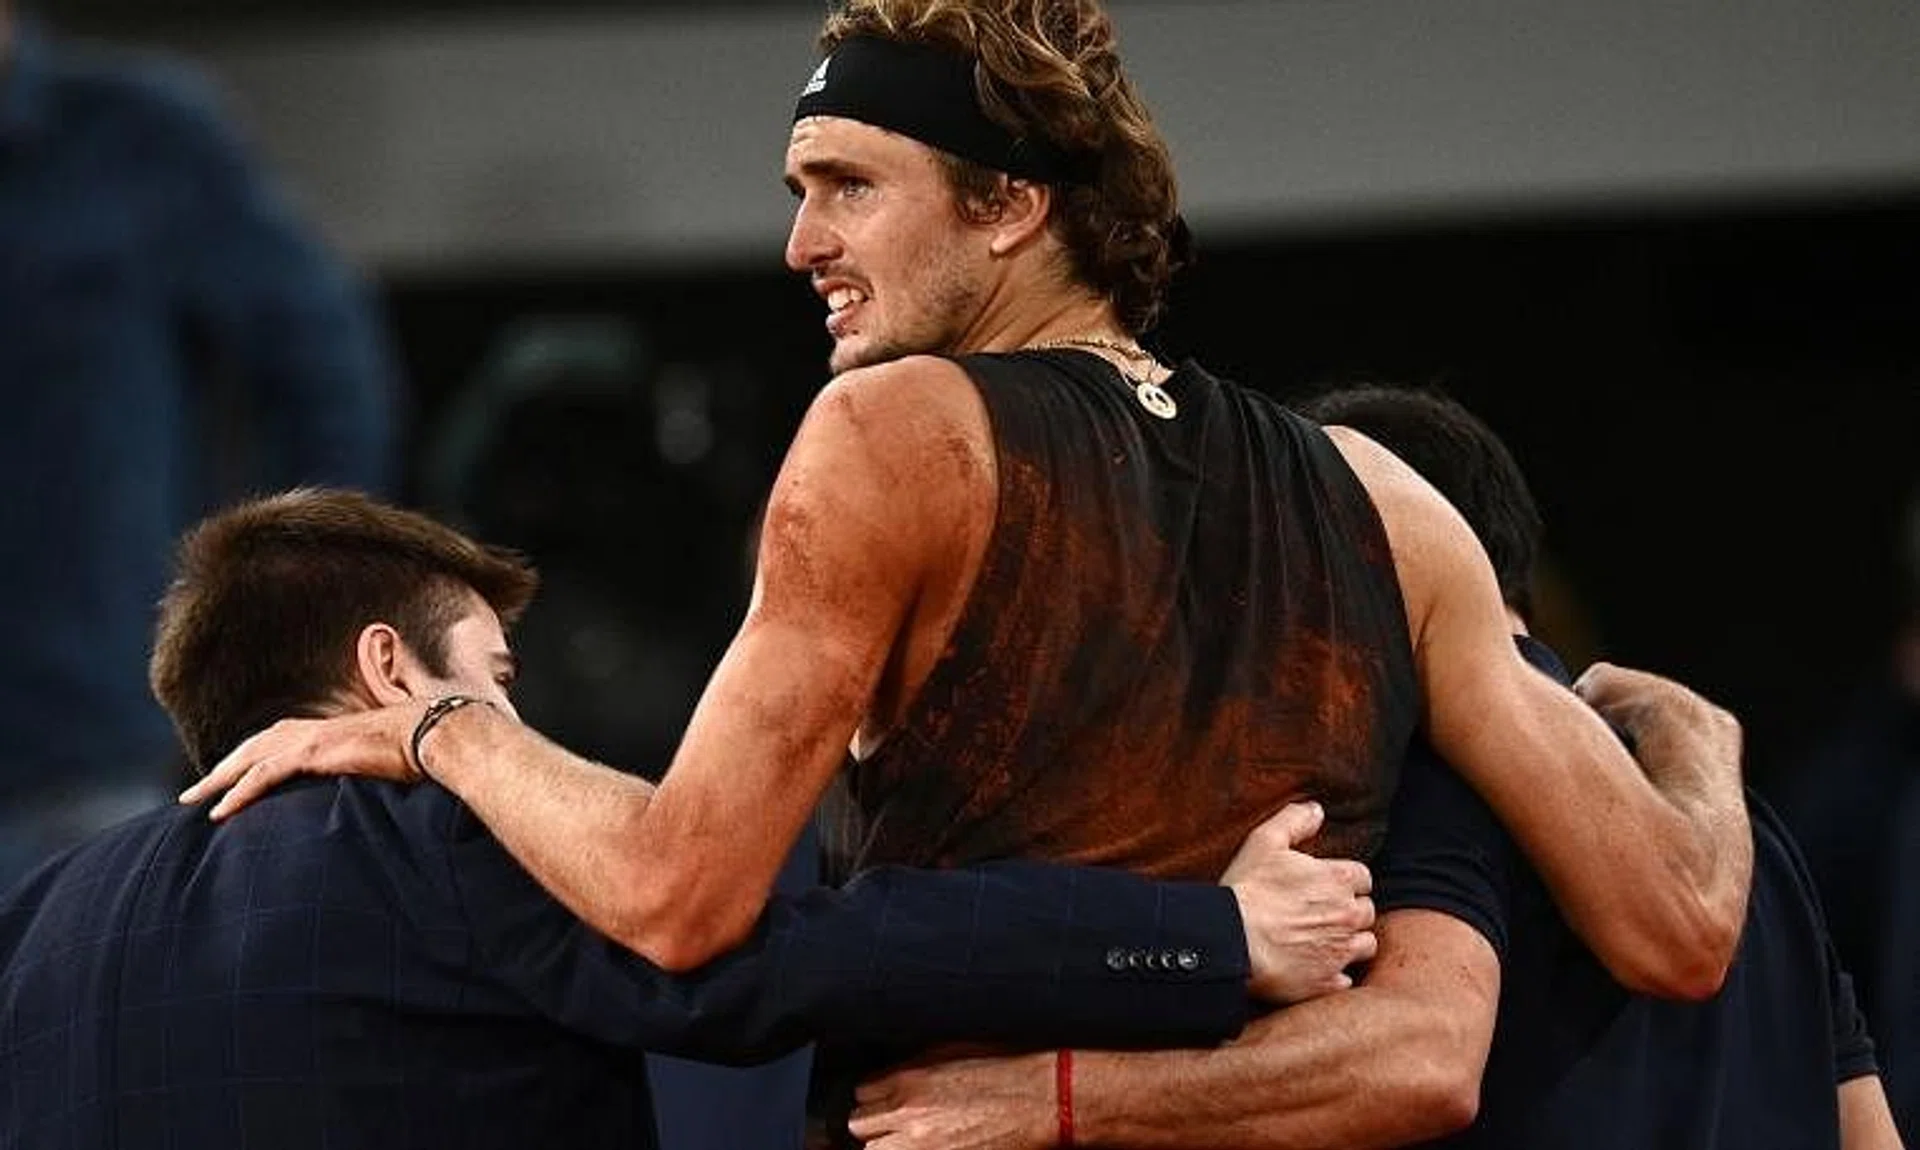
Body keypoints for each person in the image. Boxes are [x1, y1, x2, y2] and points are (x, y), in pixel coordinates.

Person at [185, 0, 1749, 1130]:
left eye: (848, 185)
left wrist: (441, 730)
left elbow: (674, 896)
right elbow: (1681, 920)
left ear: (1010, 204)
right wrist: (1698, 734)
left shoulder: (894, 435)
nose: (799, 244)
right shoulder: (1386, 497)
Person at [0, 487, 1380, 1149]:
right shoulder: (438, 836)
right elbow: (805, 948)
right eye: (491, 681)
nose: (509, 729)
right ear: (383, 668)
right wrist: (1212, 932)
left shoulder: (34, 922)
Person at [849, 385, 1907, 1150]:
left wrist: (1053, 1099)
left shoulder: (1430, 776)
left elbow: (1420, 1060)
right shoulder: (1737, 831)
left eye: (1291, 556)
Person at [0, 6, 396, 888]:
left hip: (77, 748)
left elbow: (324, 372)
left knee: (86, 1017)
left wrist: (276, 630)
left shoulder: (140, 138)